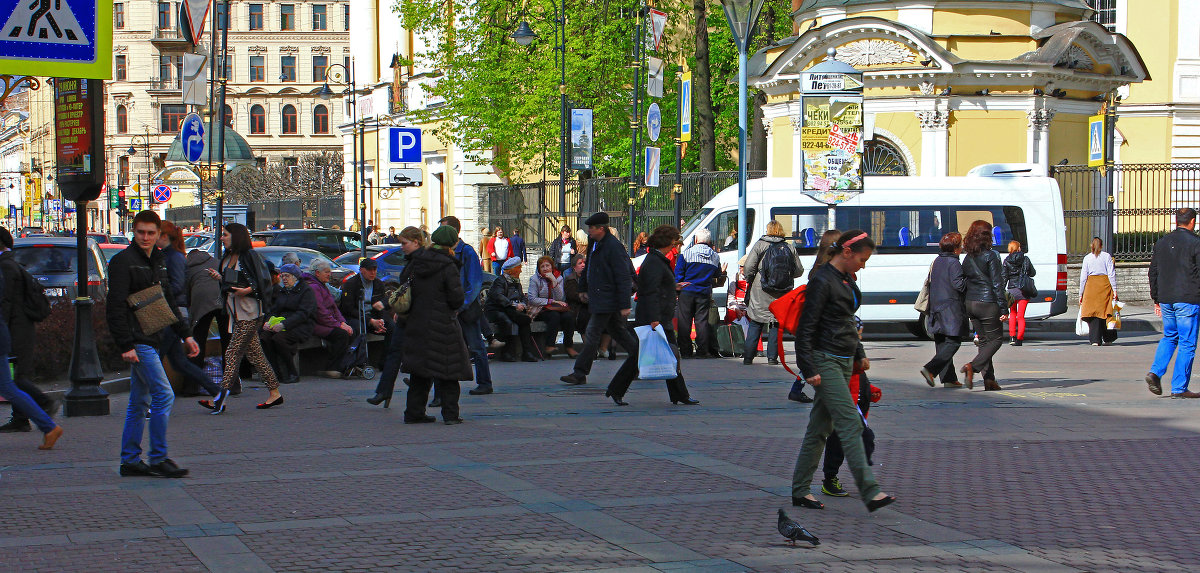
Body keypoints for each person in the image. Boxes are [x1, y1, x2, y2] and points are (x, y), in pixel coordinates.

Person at [790, 230, 894, 513]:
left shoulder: (843, 279)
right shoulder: (822, 280)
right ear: (846, 253)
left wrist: (859, 354)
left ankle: (800, 490)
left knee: (819, 429)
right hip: (825, 360)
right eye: (862, 259)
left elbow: (847, 319)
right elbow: (806, 328)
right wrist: (808, 368)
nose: (864, 265)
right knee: (849, 422)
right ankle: (870, 491)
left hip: (844, 359)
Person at [110, 210, 198, 476]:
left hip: (153, 335)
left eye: (151, 233)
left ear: (159, 235)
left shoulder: (158, 259)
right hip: (139, 340)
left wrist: (186, 334)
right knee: (164, 394)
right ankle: (158, 457)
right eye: (141, 232)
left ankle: (130, 460)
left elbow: (167, 299)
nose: (146, 237)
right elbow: (115, 307)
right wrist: (125, 344)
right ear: (133, 232)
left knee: (139, 400)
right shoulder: (123, 261)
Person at [605, 225, 698, 406]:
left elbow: (658, 287)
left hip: (658, 317)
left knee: (668, 355)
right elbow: (651, 292)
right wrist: (655, 319)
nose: (675, 246)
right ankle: (616, 389)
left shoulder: (657, 260)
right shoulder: (655, 262)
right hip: (655, 319)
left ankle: (679, 394)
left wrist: (674, 286)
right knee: (650, 355)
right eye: (674, 242)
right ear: (667, 242)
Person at [198, 223, 282, 413]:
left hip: (250, 312)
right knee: (255, 355)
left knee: (232, 353)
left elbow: (264, 281)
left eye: (225, 234)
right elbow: (234, 281)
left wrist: (248, 290)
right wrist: (220, 278)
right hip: (238, 312)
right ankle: (275, 393)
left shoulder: (249, 255)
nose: (221, 237)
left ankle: (220, 398)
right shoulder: (228, 256)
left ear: (235, 236)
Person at [400, 225, 471, 424]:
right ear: (453, 244)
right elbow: (456, 298)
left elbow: (404, 284)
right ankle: (450, 415)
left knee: (419, 371)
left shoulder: (416, 261)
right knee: (448, 370)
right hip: (443, 324)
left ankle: (413, 413)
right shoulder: (448, 265)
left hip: (417, 322)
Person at [560, 212, 638, 386]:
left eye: (591, 228)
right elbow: (589, 268)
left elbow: (623, 275)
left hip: (608, 299)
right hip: (599, 297)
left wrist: (625, 304)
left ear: (601, 229)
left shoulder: (614, 246)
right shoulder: (595, 242)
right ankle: (639, 361)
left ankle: (579, 373)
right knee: (620, 333)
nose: (589, 231)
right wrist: (582, 289)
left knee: (592, 334)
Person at [0, 227, 57, 433]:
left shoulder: (6, 266)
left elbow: (5, 302)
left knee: (16, 378)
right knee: (14, 377)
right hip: (17, 327)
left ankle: (44, 404)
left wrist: (2, 326)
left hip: (16, 328)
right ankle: (21, 418)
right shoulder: (10, 262)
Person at [158, 221, 219, 398]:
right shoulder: (170, 255)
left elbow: (177, 286)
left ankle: (154, 399)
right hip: (175, 312)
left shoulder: (174, 257)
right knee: (178, 363)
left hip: (172, 312)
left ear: (164, 236)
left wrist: (158, 291)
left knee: (154, 357)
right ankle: (217, 391)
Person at [821, 318, 880, 498]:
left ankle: (837, 478)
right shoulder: (844, 354)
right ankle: (847, 478)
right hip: (845, 405)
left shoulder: (855, 352)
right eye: (859, 332)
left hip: (855, 404)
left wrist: (871, 391)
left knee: (842, 441)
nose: (861, 336)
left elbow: (861, 380)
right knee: (854, 439)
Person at [367, 227, 423, 409]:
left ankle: (421, 387)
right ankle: (383, 391)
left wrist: (394, 305)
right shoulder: (412, 261)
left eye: (405, 243)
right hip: (407, 314)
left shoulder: (421, 261)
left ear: (416, 242)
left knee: (418, 355)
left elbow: (415, 289)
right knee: (395, 351)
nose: (402, 247)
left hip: (417, 316)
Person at [437, 215, 494, 397]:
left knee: (476, 346)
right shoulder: (442, 252)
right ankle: (439, 389)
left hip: (466, 309)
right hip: (449, 308)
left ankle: (485, 382)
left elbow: (475, 283)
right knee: (444, 349)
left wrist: (461, 304)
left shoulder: (467, 252)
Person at [1146, 208, 1200, 398]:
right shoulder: (1195, 243)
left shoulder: (1162, 243)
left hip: (1167, 298)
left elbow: (1153, 272)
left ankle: (1155, 372)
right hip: (1188, 298)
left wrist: (1157, 298)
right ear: (1192, 222)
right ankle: (1179, 387)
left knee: (1170, 337)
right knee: (1187, 343)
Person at [743, 221, 803, 365]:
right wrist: (784, 277)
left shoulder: (759, 245)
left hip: (760, 289)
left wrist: (751, 279)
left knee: (756, 322)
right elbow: (799, 270)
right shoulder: (789, 247)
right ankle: (772, 358)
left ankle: (748, 357)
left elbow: (748, 267)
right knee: (776, 323)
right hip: (782, 290)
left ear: (768, 230)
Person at [960, 220, 1007, 391]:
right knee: (996, 339)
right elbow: (997, 283)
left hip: (970, 303)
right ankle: (973, 366)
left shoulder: (967, 257)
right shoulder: (991, 255)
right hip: (987, 303)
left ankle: (989, 380)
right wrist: (1003, 307)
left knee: (984, 342)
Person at [920, 232, 967, 388]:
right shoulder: (953, 263)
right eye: (960, 245)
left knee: (941, 342)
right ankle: (931, 368)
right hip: (950, 308)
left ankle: (948, 378)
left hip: (936, 306)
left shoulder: (937, 260)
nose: (962, 248)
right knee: (953, 342)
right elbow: (959, 285)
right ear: (955, 248)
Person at [674, 229, 727, 359]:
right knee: (702, 321)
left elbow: (679, 275)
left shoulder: (686, 254)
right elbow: (716, 274)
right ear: (708, 241)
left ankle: (686, 351)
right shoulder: (715, 256)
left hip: (687, 292)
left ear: (696, 240)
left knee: (684, 322)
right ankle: (703, 350)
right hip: (704, 292)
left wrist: (676, 289)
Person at [260, 263, 315, 385]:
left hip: (301, 325)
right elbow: (273, 310)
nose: (284, 279)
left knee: (279, 339)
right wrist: (267, 322)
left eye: (287, 276)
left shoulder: (306, 291)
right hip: (281, 324)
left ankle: (292, 372)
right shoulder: (283, 291)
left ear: (295, 277)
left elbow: (303, 314)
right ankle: (276, 372)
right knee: (264, 337)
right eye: (282, 276)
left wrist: (284, 324)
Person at [303, 259, 355, 378]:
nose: (329, 274)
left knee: (351, 330)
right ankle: (333, 367)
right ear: (317, 273)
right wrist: (338, 325)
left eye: (329, 271)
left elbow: (333, 308)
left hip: (327, 322)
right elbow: (320, 312)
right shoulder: (314, 287)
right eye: (326, 272)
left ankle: (346, 365)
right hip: (315, 324)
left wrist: (343, 322)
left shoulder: (322, 285)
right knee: (341, 334)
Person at [486, 258, 540, 362]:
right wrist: (514, 305)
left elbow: (522, 297)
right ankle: (507, 352)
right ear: (512, 270)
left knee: (523, 321)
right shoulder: (500, 281)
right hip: (498, 309)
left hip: (510, 309)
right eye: (519, 268)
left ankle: (527, 352)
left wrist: (523, 304)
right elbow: (498, 297)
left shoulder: (516, 282)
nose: (520, 270)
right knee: (509, 321)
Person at [184, 242, 226, 371]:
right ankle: (231, 383)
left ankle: (193, 382)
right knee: (227, 340)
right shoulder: (216, 261)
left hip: (201, 301)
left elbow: (186, 292)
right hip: (221, 300)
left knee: (199, 338)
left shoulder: (188, 267)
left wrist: (190, 309)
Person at [527, 255, 576, 357]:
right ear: (539, 268)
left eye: (547, 266)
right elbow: (532, 299)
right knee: (554, 316)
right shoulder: (535, 279)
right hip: (540, 309)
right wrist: (550, 301)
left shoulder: (559, 277)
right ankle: (549, 345)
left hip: (556, 307)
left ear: (552, 267)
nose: (545, 268)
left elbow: (561, 297)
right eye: (542, 266)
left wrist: (554, 281)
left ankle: (569, 347)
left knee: (569, 317)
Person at [1079, 237, 1118, 347]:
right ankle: (1108, 338)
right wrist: (1114, 290)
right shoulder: (1107, 257)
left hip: (1091, 287)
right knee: (1106, 313)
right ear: (1101, 245)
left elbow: (1083, 277)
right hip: (1104, 286)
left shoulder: (1087, 258)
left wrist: (1080, 293)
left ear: (1092, 245)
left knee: (1093, 314)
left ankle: (1095, 340)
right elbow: (1111, 274)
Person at [339, 257, 389, 339]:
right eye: (369, 270)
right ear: (361, 270)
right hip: (356, 317)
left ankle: (390, 351)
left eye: (374, 269)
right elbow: (348, 309)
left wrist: (381, 320)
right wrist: (370, 320)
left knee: (391, 326)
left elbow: (382, 305)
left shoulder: (378, 284)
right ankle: (358, 351)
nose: (372, 272)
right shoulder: (351, 284)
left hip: (373, 315)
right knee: (360, 329)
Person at [1003, 240, 1037, 346]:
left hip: (1012, 289)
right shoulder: (1025, 259)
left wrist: (1001, 290)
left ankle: (1012, 337)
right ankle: (1020, 339)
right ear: (1018, 248)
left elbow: (1004, 276)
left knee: (1012, 313)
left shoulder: (1007, 260)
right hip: (1024, 290)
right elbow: (1033, 273)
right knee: (1021, 316)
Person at [563, 254, 589, 354]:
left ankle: (603, 348)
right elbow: (573, 296)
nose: (583, 265)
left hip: (590, 305)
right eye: (580, 263)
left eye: (584, 263)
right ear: (574, 267)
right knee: (584, 317)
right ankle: (589, 349)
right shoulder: (570, 279)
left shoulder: (591, 278)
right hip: (576, 307)